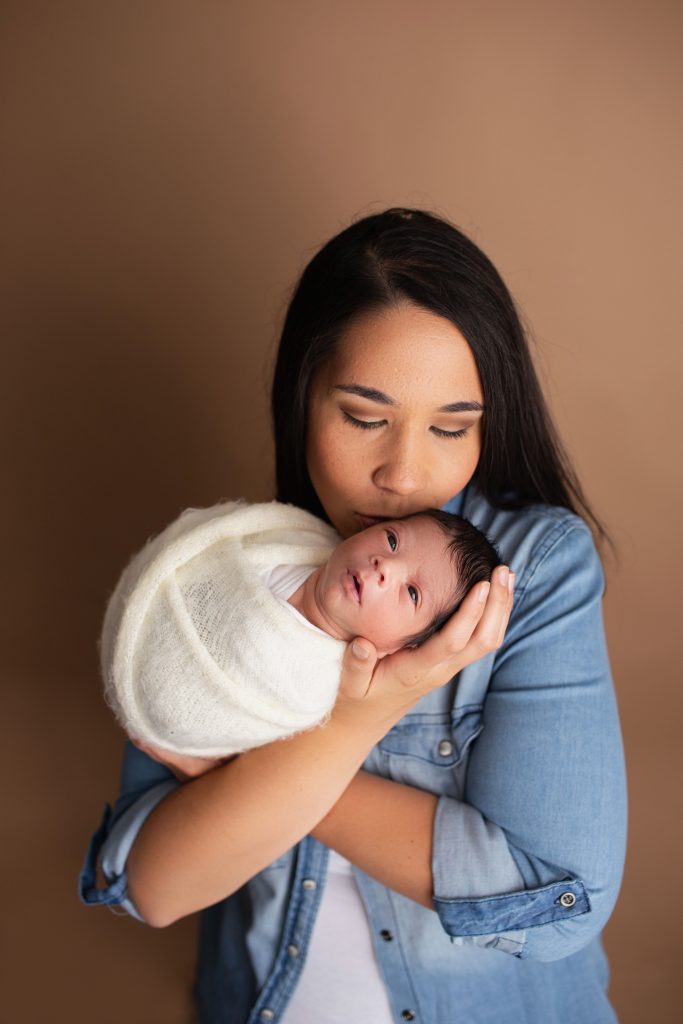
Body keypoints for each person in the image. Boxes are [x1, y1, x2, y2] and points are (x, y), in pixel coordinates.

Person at [79, 208, 627, 1024]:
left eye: (451, 427)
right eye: (365, 417)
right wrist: (337, 737)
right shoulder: (228, 566)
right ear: (303, 396)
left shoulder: (528, 572)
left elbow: (556, 906)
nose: (404, 473)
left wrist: (260, 772)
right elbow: (153, 887)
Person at [101, 499, 501, 760]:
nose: (385, 566)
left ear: (396, 649)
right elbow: (208, 546)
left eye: (412, 593)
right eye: (393, 539)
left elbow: (247, 712)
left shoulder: (315, 686)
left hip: (167, 700)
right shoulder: (301, 537)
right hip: (139, 610)